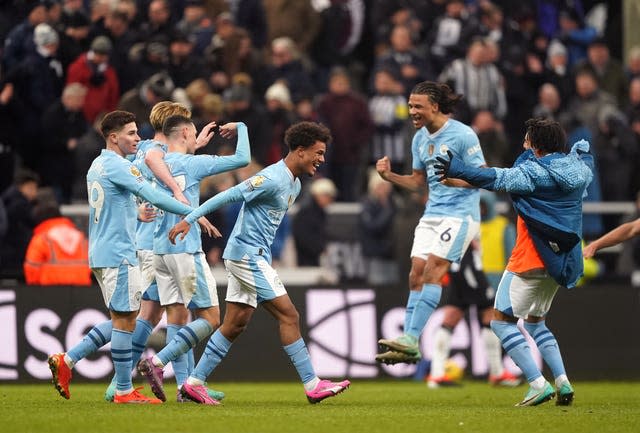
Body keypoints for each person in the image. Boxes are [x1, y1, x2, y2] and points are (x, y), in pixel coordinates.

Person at [166, 121, 350, 405]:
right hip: (246, 255)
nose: (322, 160)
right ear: (300, 151)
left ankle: (193, 383)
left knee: (235, 324)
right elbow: (227, 196)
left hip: (254, 255)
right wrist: (188, 220)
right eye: (318, 152)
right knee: (290, 316)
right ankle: (313, 384)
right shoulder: (272, 178)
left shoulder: (295, 184)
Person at [433, 117, 594, 406]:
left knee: (501, 323)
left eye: (527, 138)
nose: (523, 143)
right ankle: (563, 382)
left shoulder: (535, 174)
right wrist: (460, 177)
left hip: (530, 258)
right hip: (560, 261)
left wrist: (458, 167)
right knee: (535, 325)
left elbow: (499, 178)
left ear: (536, 144)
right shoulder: (576, 168)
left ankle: (536, 384)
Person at [47, 110, 194, 404]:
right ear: (113, 137)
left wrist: (134, 213)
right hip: (119, 253)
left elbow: (114, 202)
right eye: (131, 133)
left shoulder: (98, 165)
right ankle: (124, 390)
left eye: (137, 132)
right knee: (127, 321)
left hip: (103, 251)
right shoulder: (119, 166)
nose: (137, 138)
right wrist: (188, 209)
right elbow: (150, 194)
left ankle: (70, 360)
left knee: (122, 319)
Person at [102, 101, 225, 403]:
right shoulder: (157, 152)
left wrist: (194, 147)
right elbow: (172, 176)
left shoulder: (142, 148)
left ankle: (131, 383)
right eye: (188, 126)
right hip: (159, 240)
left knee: (157, 314)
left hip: (151, 241)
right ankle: (176, 384)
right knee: (167, 316)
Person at [136, 115, 250, 403]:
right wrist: (241, 128)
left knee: (178, 317)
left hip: (160, 249)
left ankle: (185, 387)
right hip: (186, 250)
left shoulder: (156, 163)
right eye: (194, 132)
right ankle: (158, 361)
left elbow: (159, 165)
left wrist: (194, 147)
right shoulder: (194, 164)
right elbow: (242, 159)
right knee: (210, 319)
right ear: (186, 131)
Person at [374, 81, 486, 365]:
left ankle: (410, 338)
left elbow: (484, 176)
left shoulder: (462, 135)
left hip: (461, 215)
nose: (412, 111)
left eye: (417, 106)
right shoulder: (419, 139)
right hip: (433, 213)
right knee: (416, 273)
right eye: (410, 106)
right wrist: (390, 177)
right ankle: (408, 342)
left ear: (434, 107)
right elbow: (418, 182)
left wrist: (454, 179)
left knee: (434, 270)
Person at [426, 240, 521, 389]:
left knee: (452, 314)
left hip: (458, 262)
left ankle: (436, 374)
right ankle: (497, 372)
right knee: (490, 309)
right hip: (467, 264)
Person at [23, 189, 92, 286]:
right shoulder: (80, 237)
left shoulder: (42, 239)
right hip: (82, 290)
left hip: (50, 293)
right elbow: (92, 265)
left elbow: (31, 270)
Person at [291, 177, 337, 267]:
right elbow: (302, 237)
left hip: (315, 256)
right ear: (319, 195)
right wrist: (319, 248)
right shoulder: (306, 213)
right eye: (328, 196)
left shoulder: (320, 213)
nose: (330, 200)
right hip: (305, 258)